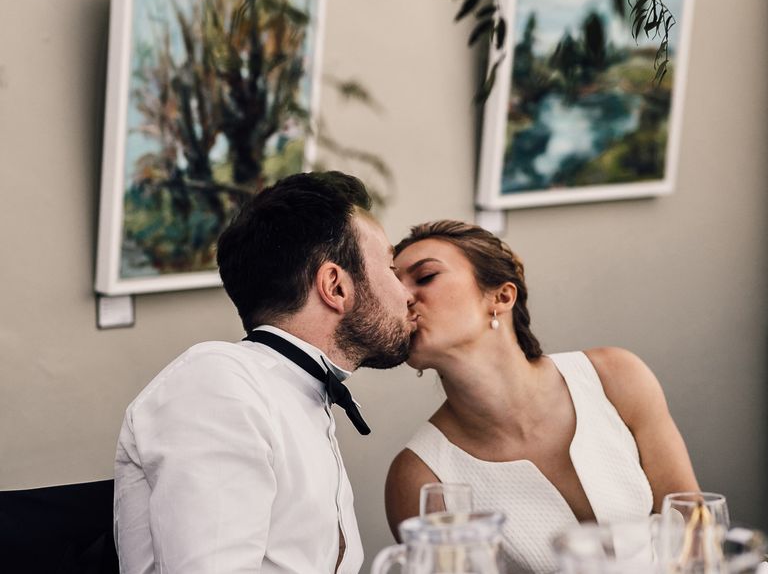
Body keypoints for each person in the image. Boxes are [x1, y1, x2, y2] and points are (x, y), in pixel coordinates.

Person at [114, 171, 416, 574]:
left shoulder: (298, 393)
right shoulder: (218, 384)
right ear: (335, 286)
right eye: (392, 268)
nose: (407, 293)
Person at [385, 220, 699, 574]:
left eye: (425, 277)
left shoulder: (616, 378)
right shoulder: (420, 477)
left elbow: (695, 529)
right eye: (393, 286)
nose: (403, 296)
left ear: (501, 297)